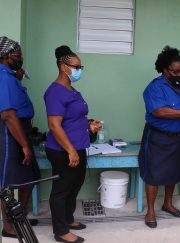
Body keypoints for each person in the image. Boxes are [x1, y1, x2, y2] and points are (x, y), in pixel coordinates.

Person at [138, 46, 180, 228]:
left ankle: (168, 204)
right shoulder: (155, 87)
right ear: (165, 70)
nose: (179, 74)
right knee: (154, 175)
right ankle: (150, 211)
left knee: (173, 173)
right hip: (159, 138)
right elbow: (159, 111)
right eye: (175, 71)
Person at [44, 45, 101, 243]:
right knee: (61, 189)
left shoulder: (72, 90)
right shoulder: (55, 91)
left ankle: (68, 219)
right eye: (76, 66)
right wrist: (70, 150)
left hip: (79, 146)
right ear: (63, 66)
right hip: (63, 150)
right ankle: (60, 231)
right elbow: (54, 125)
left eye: (80, 66)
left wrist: (89, 124)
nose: (79, 70)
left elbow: (73, 118)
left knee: (74, 185)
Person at [0, 36, 41, 238]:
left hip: (21, 130)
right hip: (11, 134)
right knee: (7, 183)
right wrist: (24, 145)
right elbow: (7, 114)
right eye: (18, 54)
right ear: (7, 56)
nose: (21, 57)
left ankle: (20, 216)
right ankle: (9, 226)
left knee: (29, 178)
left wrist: (17, 80)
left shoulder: (9, 76)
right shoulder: (3, 77)